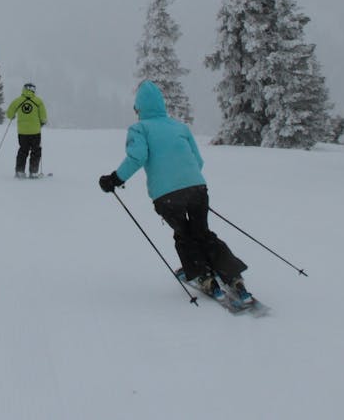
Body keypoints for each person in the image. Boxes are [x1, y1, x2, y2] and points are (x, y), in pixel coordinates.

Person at [98, 80, 251, 302]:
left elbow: (137, 157)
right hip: (197, 188)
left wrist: (114, 179)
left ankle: (203, 275)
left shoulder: (139, 128)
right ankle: (233, 277)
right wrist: (187, 183)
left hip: (166, 195)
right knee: (203, 232)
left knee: (184, 234)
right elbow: (197, 160)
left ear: (139, 108)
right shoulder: (180, 127)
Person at [6, 82, 47, 178]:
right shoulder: (38, 101)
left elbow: (9, 114)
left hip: (22, 132)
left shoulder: (18, 101)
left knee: (23, 150)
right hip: (35, 132)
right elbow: (44, 118)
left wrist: (13, 116)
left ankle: (19, 171)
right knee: (36, 151)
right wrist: (42, 123)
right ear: (33, 90)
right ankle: (33, 172)